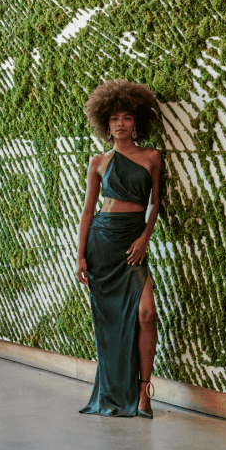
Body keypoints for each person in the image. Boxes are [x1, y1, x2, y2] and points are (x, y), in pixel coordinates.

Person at [76, 79, 163, 419]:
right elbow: (87, 210)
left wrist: (145, 238)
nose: (120, 124)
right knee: (109, 323)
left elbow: (156, 203)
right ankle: (114, 393)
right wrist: (80, 255)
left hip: (133, 242)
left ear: (136, 121)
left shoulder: (152, 156)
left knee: (147, 313)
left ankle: (144, 393)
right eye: (114, 119)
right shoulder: (98, 161)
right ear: (105, 124)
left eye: (126, 118)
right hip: (102, 243)